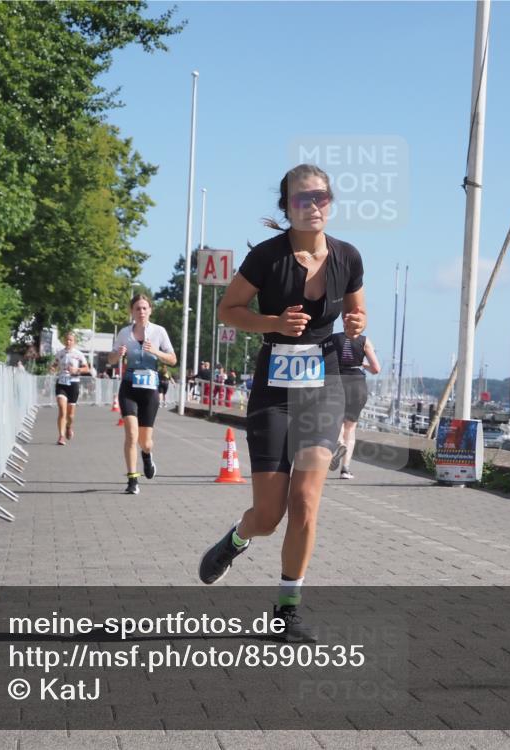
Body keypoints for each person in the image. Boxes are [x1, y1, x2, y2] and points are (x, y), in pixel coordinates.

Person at [197, 164, 366, 642]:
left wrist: (356, 324)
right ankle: (236, 538)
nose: (313, 206)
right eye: (301, 199)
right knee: (269, 516)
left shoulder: (348, 256)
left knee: (306, 502)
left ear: (331, 202)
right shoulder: (267, 258)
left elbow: (358, 312)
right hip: (273, 391)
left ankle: (287, 610)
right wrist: (273, 323)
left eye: (321, 197)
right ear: (287, 207)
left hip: (324, 388)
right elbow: (228, 310)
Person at [107, 294, 178, 495]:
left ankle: (147, 456)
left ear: (150, 310)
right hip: (129, 387)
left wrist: (156, 352)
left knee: (145, 442)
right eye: (137, 308)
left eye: (145, 308)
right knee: (131, 434)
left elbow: (173, 359)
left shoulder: (159, 332)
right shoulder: (124, 333)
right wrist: (117, 354)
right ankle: (132, 480)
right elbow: (111, 360)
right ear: (132, 311)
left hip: (149, 390)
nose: (141, 312)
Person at [328, 334, 381, 479]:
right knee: (350, 428)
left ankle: (339, 442)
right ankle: (345, 470)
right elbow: (376, 369)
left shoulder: (333, 338)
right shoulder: (364, 340)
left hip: (337, 381)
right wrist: (363, 364)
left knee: (336, 421)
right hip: (357, 385)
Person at [50, 331, 91, 445]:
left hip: (73, 384)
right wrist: (52, 368)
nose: (68, 342)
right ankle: (61, 436)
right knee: (62, 410)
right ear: (64, 341)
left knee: (70, 415)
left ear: (74, 342)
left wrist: (77, 370)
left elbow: (87, 369)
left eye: (70, 340)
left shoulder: (79, 354)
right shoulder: (60, 353)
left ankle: (68, 426)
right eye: (67, 340)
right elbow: (54, 364)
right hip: (61, 383)